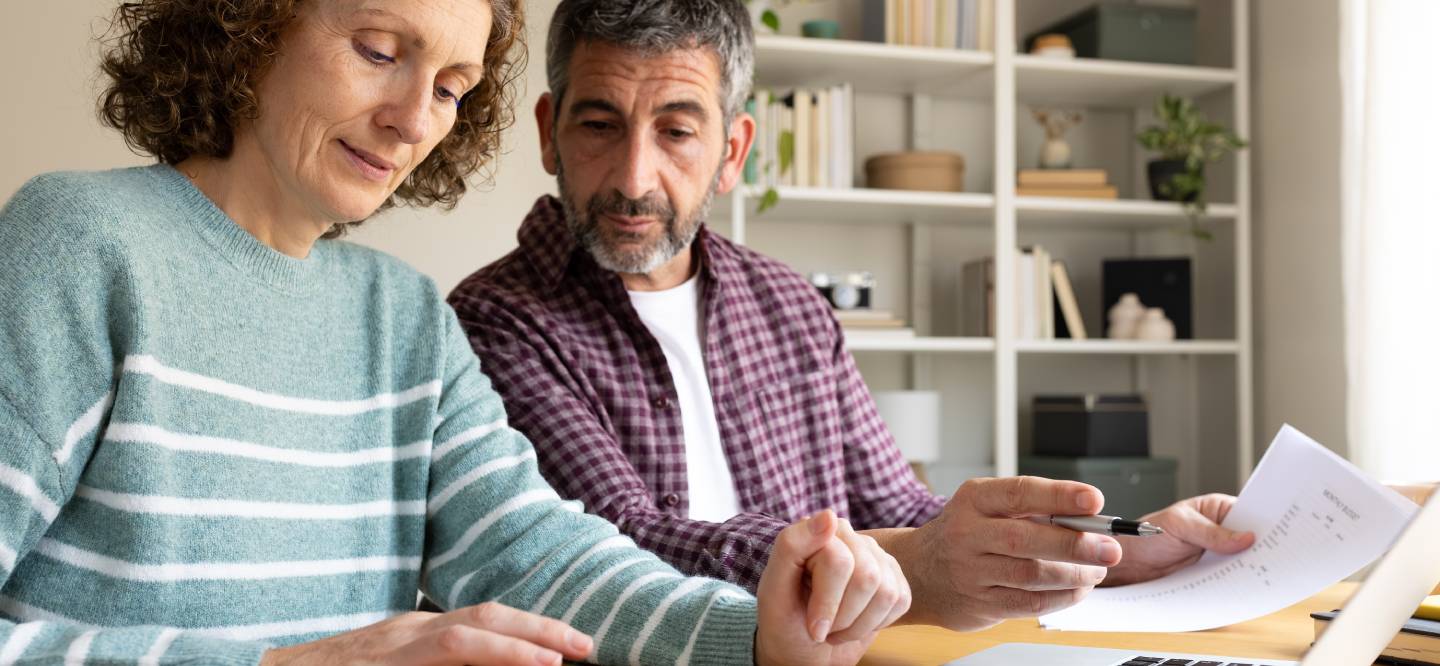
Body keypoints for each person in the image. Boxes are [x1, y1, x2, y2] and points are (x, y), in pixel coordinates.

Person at [0, 0, 909, 664]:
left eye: (450, 86)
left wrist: (750, 637)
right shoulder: (79, 247)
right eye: (377, 50)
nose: (413, 119)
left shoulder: (404, 317)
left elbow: (532, 553)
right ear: (256, 23)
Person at [446, 0, 1258, 633]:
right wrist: (897, 560)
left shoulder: (790, 304)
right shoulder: (490, 322)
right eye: (599, 125)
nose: (633, 175)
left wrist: (1124, 543)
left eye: (677, 130)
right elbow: (626, 549)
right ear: (551, 133)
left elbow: (903, 515)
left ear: (732, 151)